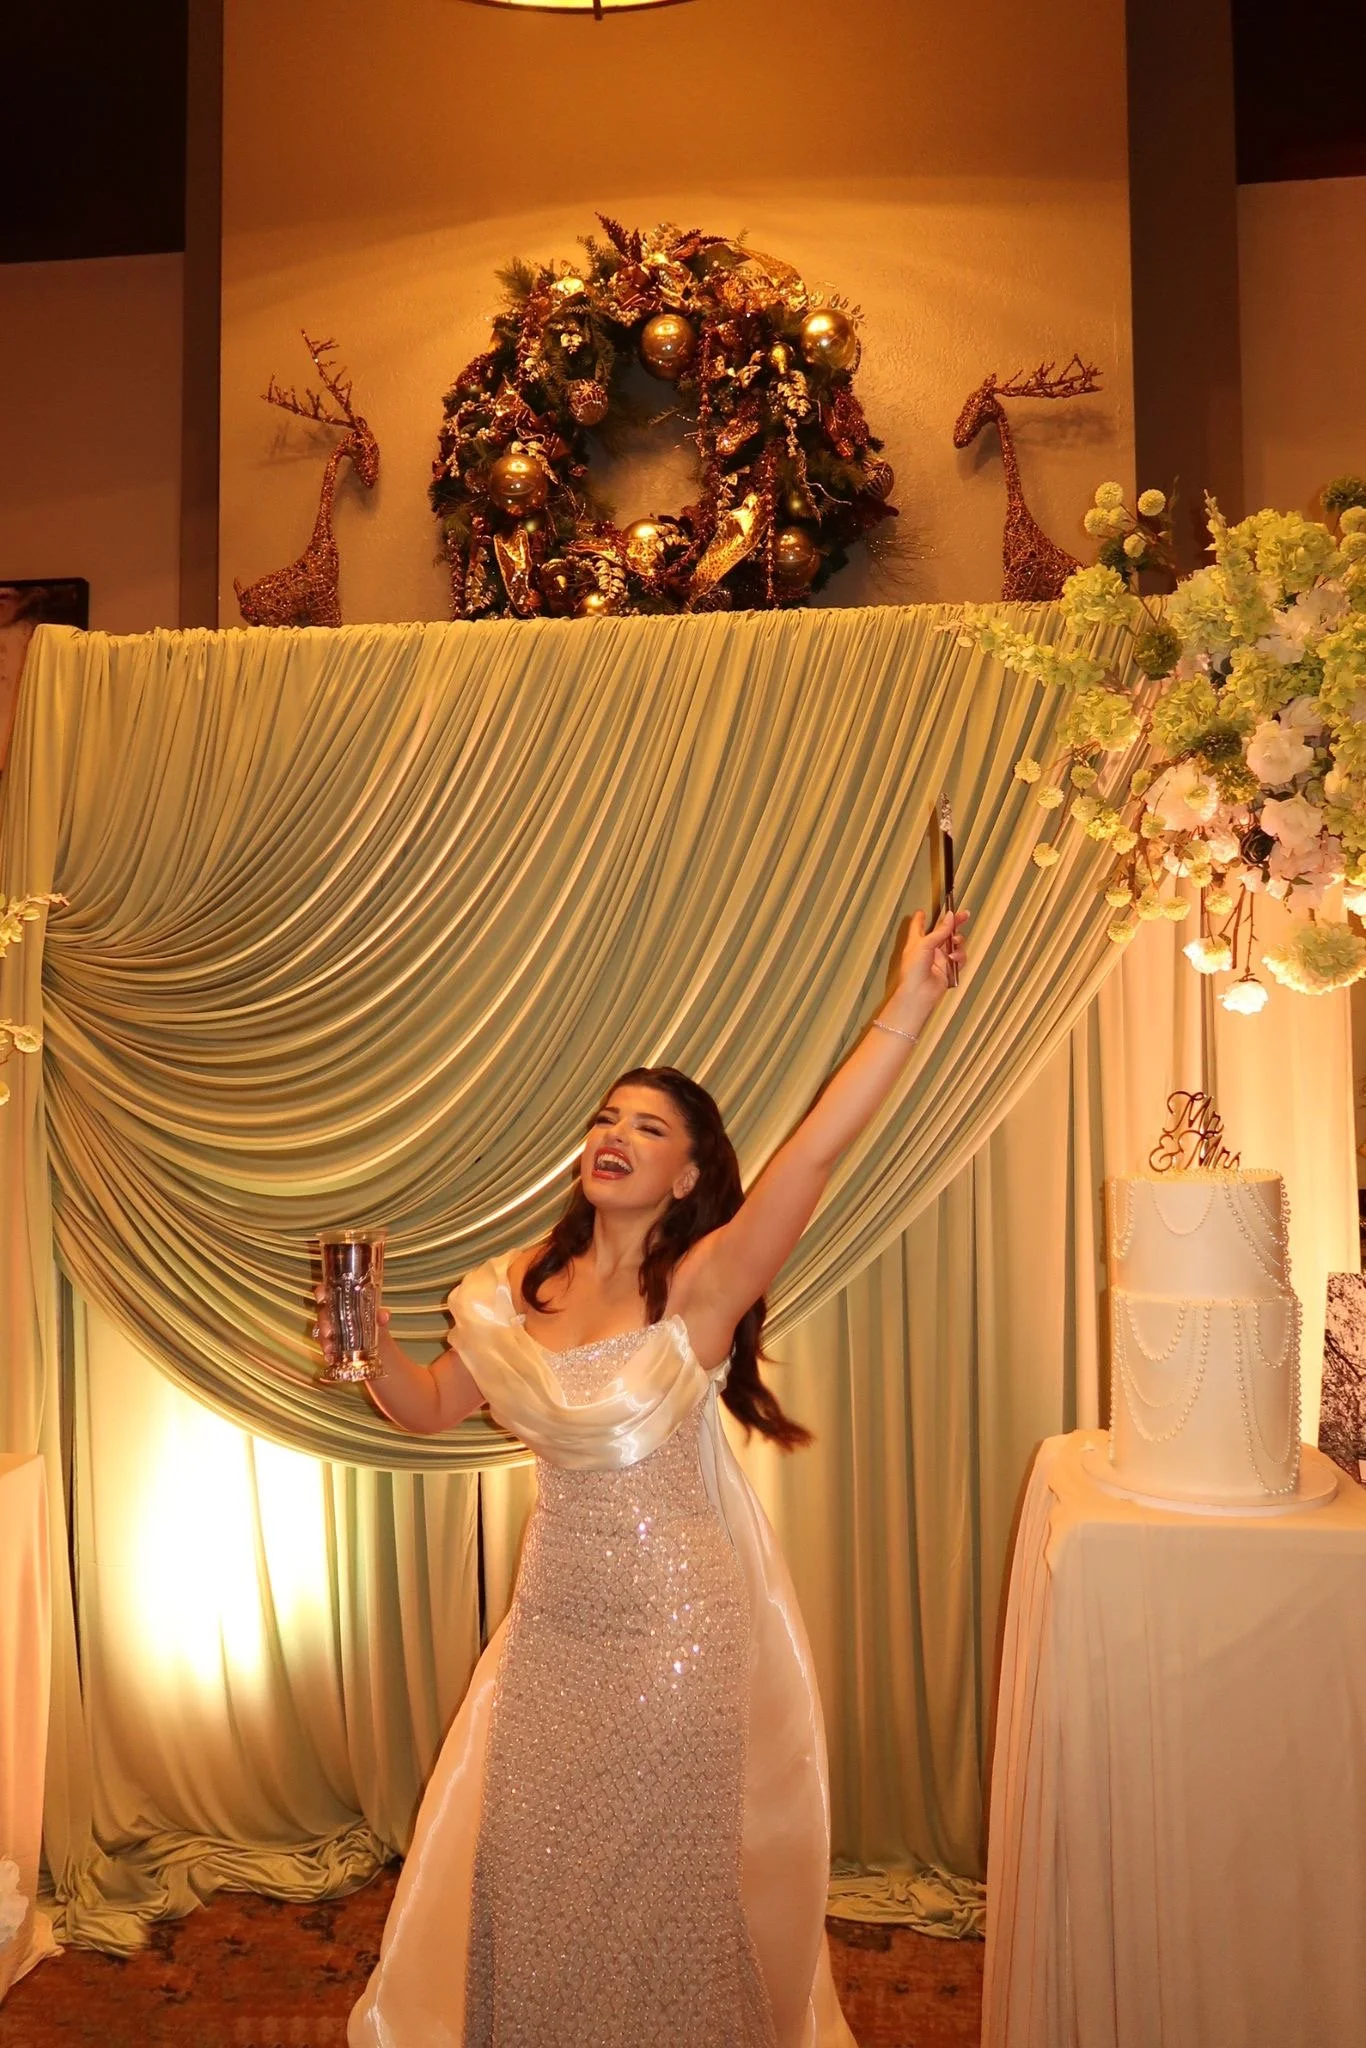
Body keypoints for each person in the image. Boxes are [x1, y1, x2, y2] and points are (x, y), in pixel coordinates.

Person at [326, 903, 968, 2048]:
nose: (615, 1133)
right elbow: (426, 1404)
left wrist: (909, 1003)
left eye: (649, 1125)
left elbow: (815, 1152)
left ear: (687, 1173)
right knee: (534, 1869)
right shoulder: (521, 1284)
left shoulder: (703, 1284)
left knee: (657, 1887)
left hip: (676, 1628)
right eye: (606, 1118)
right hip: (551, 1625)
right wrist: (368, 1339)